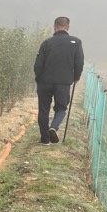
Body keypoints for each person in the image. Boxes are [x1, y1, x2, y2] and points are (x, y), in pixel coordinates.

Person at [34, 16, 84, 144]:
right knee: (61, 108)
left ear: (55, 27)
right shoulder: (76, 42)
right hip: (63, 82)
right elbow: (79, 63)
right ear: (67, 27)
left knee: (43, 110)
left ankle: (45, 140)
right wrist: (76, 77)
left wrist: (38, 78)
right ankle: (54, 127)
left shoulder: (46, 43)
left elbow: (38, 64)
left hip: (45, 82)